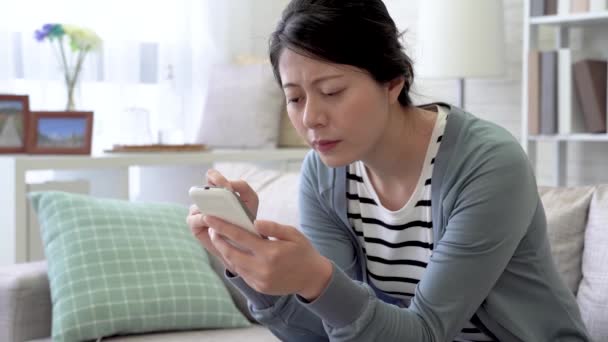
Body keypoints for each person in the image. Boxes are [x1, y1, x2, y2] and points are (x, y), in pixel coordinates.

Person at [186, 0, 590, 340]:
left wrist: (317, 280)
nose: (310, 118)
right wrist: (245, 264)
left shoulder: (488, 164)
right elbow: (327, 331)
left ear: (393, 81)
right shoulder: (325, 174)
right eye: (294, 98)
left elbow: (427, 332)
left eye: (332, 92)